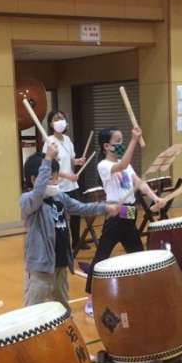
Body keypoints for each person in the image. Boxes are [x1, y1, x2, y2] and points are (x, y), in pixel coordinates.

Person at [21, 143, 120, 310]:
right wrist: (48, 158)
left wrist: (105, 208)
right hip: (40, 270)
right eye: (50, 178)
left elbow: (81, 208)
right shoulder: (28, 201)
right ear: (33, 180)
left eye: (56, 177)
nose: (56, 181)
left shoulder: (59, 197)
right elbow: (38, 193)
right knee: (33, 311)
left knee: (62, 309)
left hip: (60, 265)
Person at [84, 126, 166, 316]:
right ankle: (90, 297)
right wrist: (134, 140)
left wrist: (155, 198)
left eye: (123, 140)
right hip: (115, 214)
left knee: (138, 254)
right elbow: (121, 166)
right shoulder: (104, 165)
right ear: (106, 146)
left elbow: (140, 183)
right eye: (118, 141)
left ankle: (145, 293)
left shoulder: (126, 164)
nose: (121, 144)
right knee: (102, 255)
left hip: (129, 212)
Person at [42, 110, 88, 251]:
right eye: (56, 119)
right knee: (60, 215)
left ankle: (76, 241)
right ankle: (61, 243)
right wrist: (68, 176)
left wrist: (78, 161)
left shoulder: (67, 139)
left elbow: (70, 159)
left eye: (62, 118)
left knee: (76, 214)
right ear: (51, 124)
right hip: (58, 186)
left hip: (71, 184)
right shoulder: (49, 141)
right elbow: (49, 167)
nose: (60, 121)